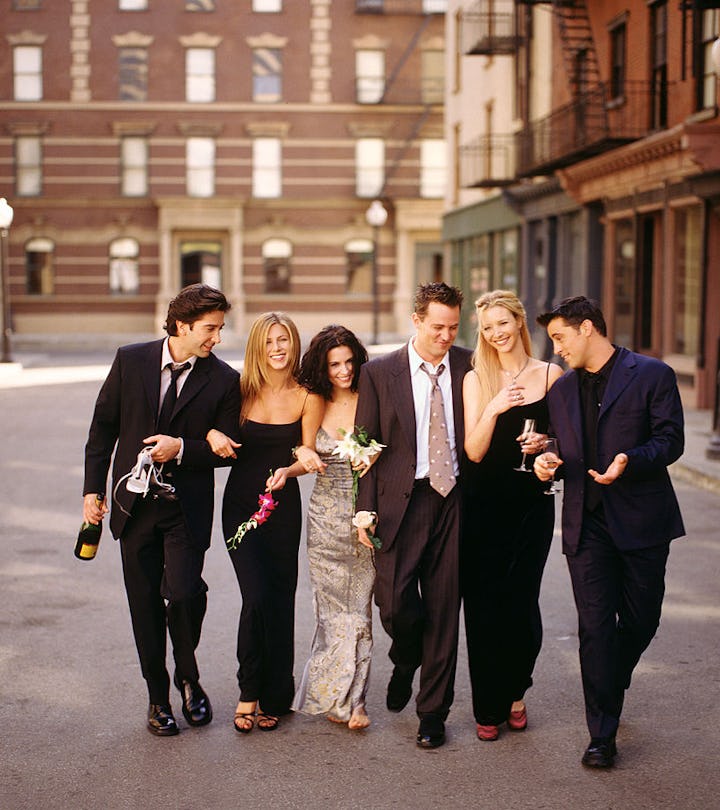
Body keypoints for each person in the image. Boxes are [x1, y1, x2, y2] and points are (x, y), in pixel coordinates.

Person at [82, 284, 241, 736]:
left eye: (220, 329)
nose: (216, 338)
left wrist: (184, 448)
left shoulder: (225, 380)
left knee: (186, 594)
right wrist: (92, 490)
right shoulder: (131, 360)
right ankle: (158, 697)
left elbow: (226, 450)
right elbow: (103, 428)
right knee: (145, 605)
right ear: (181, 325)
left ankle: (189, 676)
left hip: (185, 509)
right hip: (133, 507)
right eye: (210, 329)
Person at [534, 296, 685, 768]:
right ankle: (602, 735)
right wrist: (544, 462)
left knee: (641, 621)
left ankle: (611, 677)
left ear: (587, 329)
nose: (555, 348)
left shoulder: (652, 374)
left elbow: (671, 439)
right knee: (595, 631)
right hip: (587, 527)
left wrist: (629, 460)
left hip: (642, 521)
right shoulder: (560, 392)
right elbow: (558, 447)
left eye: (560, 337)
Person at [354, 282, 472, 749]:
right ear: (417, 320)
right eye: (438, 326)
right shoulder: (379, 372)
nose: (446, 336)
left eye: (454, 327)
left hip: (456, 500)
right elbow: (363, 443)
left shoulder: (469, 365)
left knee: (445, 609)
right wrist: (364, 510)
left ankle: (432, 713)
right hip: (400, 501)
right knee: (396, 604)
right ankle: (406, 658)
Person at [206, 312, 324, 734]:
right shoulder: (238, 391)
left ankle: (277, 695)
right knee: (255, 595)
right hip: (240, 508)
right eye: (270, 341)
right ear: (258, 346)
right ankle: (248, 692)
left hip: (282, 508)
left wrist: (291, 470)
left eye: (285, 340)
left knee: (279, 598)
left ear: (294, 345)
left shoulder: (308, 396)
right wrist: (211, 436)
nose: (278, 349)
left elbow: (306, 455)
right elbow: (207, 428)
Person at [461, 290, 563, 742]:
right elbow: (474, 451)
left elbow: (565, 442)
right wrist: (495, 406)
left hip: (531, 502)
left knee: (521, 603)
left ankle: (516, 690)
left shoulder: (551, 375)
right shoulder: (475, 378)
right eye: (487, 327)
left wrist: (547, 446)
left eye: (503, 323)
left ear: (520, 322)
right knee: (483, 605)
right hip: (482, 506)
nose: (496, 333)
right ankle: (488, 706)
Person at [290, 325, 375, 730]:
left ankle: (356, 701)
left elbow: (394, 448)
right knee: (331, 612)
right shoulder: (314, 401)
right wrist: (297, 458)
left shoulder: (372, 397)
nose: (343, 371)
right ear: (322, 368)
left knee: (359, 609)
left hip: (366, 516)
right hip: (324, 516)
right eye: (334, 364)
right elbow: (305, 453)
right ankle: (331, 696)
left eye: (348, 362)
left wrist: (374, 460)